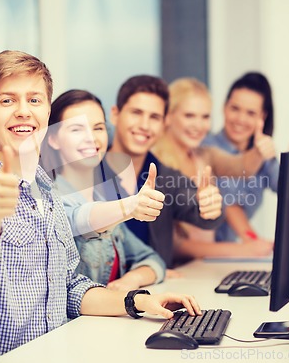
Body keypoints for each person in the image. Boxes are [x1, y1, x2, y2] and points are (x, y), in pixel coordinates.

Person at [0, 51, 200, 362]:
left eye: (34, 100)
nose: (23, 111)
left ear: (46, 114)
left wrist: (137, 301)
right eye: (7, 101)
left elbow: (71, 287)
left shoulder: (46, 193)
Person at [102, 75, 268, 268]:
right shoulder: (88, 172)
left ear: (164, 121)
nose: (145, 125)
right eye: (136, 113)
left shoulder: (167, 176)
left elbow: (198, 210)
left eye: (154, 117)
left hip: (154, 284)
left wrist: (210, 206)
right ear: (115, 114)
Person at [40, 89, 166, 291]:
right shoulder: (47, 199)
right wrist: (130, 206)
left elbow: (151, 259)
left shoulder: (105, 199)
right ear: (53, 139)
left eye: (98, 128)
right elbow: (77, 219)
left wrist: (130, 281)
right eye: (77, 129)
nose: (91, 138)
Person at [152, 77, 273, 261]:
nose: (198, 126)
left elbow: (242, 168)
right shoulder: (157, 163)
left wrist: (258, 151)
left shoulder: (205, 154)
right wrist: (244, 249)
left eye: (205, 117)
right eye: (189, 116)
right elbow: (174, 244)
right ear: (168, 116)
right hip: (175, 272)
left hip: (201, 268)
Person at [203, 71, 289, 243]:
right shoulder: (207, 147)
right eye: (235, 109)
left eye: (250, 113)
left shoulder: (262, 154)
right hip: (202, 255)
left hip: (231, 254)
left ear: (262, 117)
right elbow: (229, 204)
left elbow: (288, 192)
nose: (240, 119)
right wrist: (255, 242)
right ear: (224, 107)